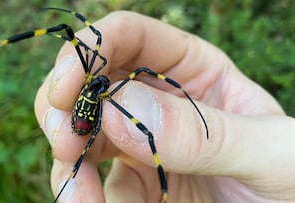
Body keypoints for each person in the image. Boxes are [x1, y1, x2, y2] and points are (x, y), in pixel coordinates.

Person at [34, 11, 295, 202]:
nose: (104, 77)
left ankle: (165, 194)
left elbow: (148, 131)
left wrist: (181, 91)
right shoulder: (96, 81)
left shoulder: (104, 88)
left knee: (145, 132)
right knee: (83, 39)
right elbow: (91, 36)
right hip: (84, 121)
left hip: (86, 119)